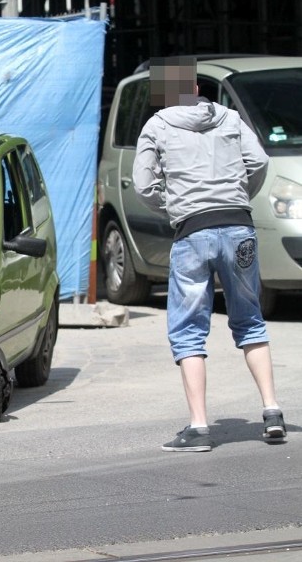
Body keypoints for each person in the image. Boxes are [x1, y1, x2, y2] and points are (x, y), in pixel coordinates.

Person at [132, 56, 286, 452]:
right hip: (239, 228)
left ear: (162, 96)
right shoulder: (230, 119)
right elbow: (260, 161)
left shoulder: (157, 126)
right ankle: (272, 412)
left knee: (188, 330)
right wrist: (238, 199)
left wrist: (175, 207)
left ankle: (199, 428)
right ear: (197, 89)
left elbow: (144, 185)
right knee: (250, 320)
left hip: (193, 232)